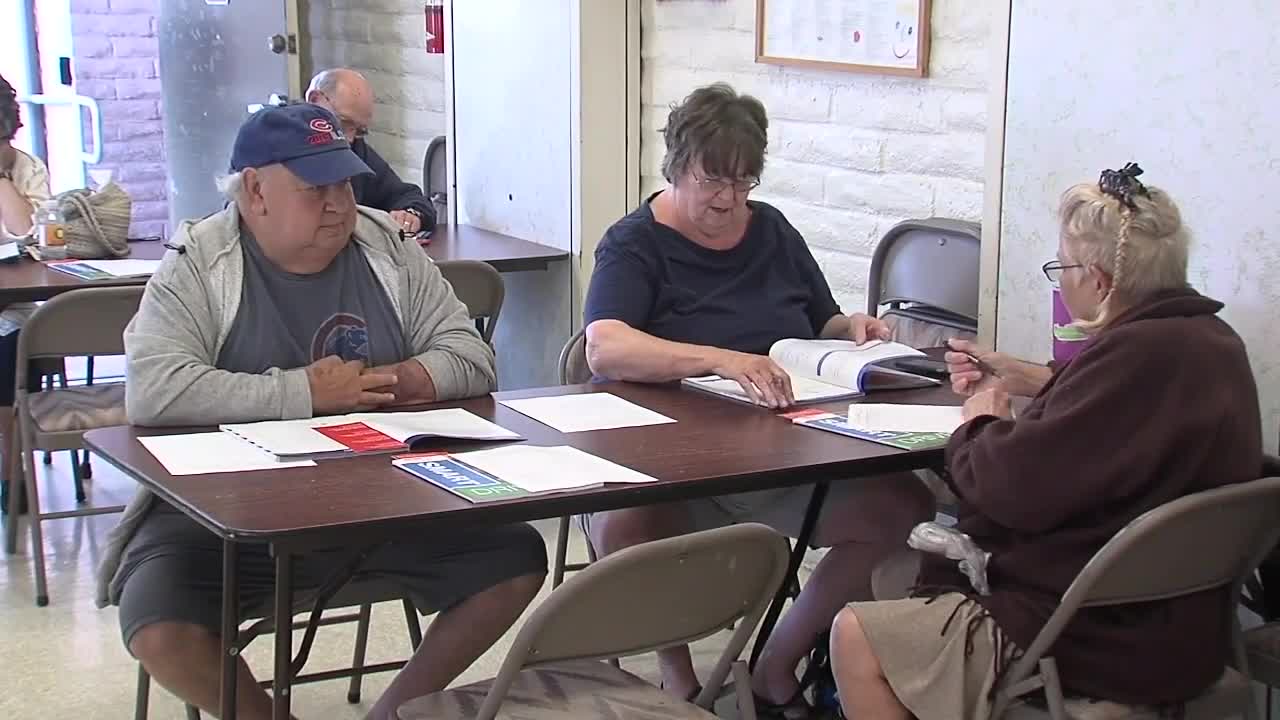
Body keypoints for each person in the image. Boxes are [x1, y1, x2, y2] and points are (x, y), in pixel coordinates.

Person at [95, 104, 546, 720]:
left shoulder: (386, 246)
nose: (339, 205)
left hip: (381, 498)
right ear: (255, 191)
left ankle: (393, 715)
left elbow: (472, 356)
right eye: (316, 189)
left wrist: (392, 381)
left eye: (345, 184)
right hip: (226, 511)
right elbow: (154, 389)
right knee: (157, 621)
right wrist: (305, 394)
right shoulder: (199, 260)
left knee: (513, 559)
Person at [831, 165, 1263, 720]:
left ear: (1100, 282)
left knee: (856, 635)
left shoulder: (1131, 360)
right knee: (895, 572)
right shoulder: (1211, 344)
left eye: (1063, 268)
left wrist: (981, 423)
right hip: (1187, 631)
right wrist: (1033, 376)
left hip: (1095, 640)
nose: (1060, 282)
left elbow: (1008, 488)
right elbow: (1120, 417)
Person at [582, 83, 934, 717]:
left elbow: (819, 318)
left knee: (902, 505)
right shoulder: (635, 243)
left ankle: (777, 660)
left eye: (743, 182)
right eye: (712, 180)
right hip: (669, 465)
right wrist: (720, 358)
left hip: (783, 452)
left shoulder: (770, 229)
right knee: (624, 524)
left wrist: (851, 329)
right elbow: (604, 347)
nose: (728, 198)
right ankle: (678, 679)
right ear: (676, 166)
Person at [0, 73, 52, 510]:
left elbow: (29, 234)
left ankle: (10, 470)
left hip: (14, 304)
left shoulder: (26, 168)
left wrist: (2, 179)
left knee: (11, 344)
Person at [306, 68, 435, 236]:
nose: (349, 139)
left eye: (359, 130)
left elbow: (406, 195)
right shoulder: (278, 148)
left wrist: (410, 214)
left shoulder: (354, 148)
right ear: (315, 100)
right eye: (344, 123)